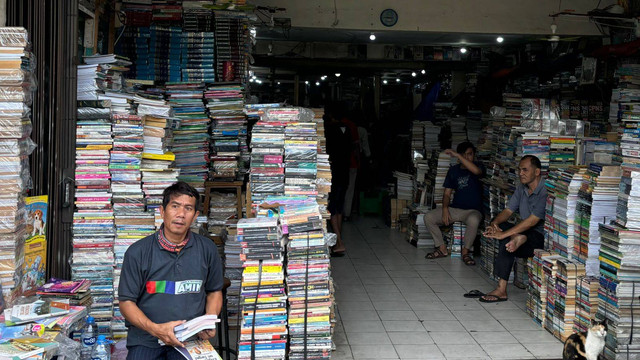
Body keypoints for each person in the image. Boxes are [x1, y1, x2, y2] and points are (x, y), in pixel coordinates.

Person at [118, 182, 223, 359]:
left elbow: (214, 291)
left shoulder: (207, 249)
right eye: (175, 206)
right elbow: (126, 302)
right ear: (162, 211)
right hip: (146, 339)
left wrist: (209, 320)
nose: (181, 214)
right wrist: (156, 329)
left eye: (188, 208)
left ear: (195, 215)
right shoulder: (138, 252)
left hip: (190, 339)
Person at [480, 155, 547, 303]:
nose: (520, 173)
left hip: (539, 239)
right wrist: (495, 224)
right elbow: (508, 211)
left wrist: (503, 234)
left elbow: (532, 221)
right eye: (519, 170)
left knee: (506, 236)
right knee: (503, 231)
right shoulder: (521, 188)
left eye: (525, 170)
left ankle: (501, 289)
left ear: (537, 172)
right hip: (522, 234)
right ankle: (517, 238)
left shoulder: (544, 191)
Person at [424, 142, 484, 265]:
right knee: (428, 217)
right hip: (455, 209)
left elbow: (476, 171)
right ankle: (441, 248)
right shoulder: (453, 170)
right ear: (460, 156)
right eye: (464, 155)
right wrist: (445, 209)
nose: (468, 157)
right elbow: (447, 194)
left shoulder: (479, 166)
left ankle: (465, 253)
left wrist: (458, 155)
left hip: (473, 210)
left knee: (474, 220)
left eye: (470, 154)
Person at [325, 104, 352, 256]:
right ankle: (337, 241)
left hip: (333, 173)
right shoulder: (347, 129)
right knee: (339, 208)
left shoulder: (329, 129)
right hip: (344, 172)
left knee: (332, 208)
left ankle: (339, 242)